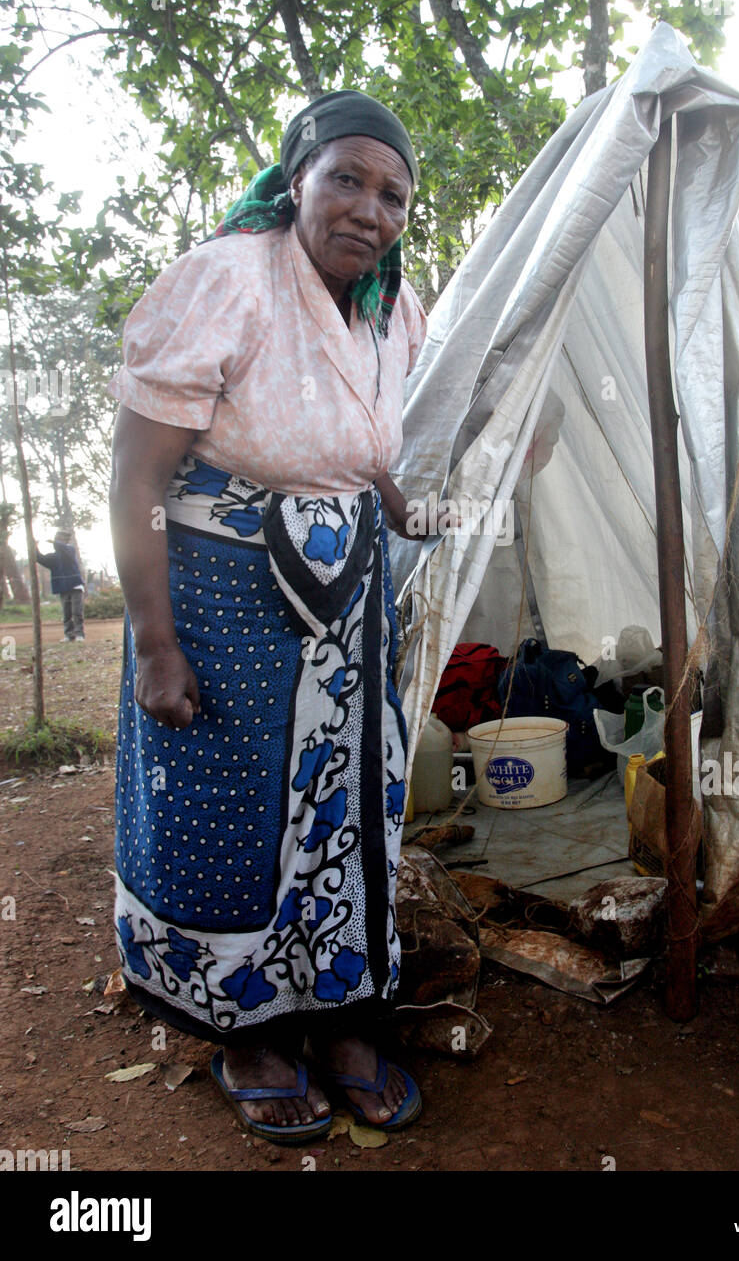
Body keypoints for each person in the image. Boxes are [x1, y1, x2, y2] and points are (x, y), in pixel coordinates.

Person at [108, 90, 443, 1146]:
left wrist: (415, 508)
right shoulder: (221, 282)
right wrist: (158, 645)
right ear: (293, 178)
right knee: (234, 809)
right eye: (346, 177)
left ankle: (342, 1015)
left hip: (349, 600)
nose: (368, 208)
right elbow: (137, 479)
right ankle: (244, 1030)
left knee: (350, 809)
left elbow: (371, 454)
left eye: (391, 193)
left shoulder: (397, 309)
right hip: (219, 590)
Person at [35, 529, 85, 641]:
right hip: (63, 588)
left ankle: (79, 634)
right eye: (57, 540)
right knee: (66, 613)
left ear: (65, 542)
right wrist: (35, 547)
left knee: (77, 612)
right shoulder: (54, 557)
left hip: (75, 586)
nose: (57, 543)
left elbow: (62, 547)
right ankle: (69, 635)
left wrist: (54, 542)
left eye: (59, 540)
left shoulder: (70, 551)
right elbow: (40, 559)